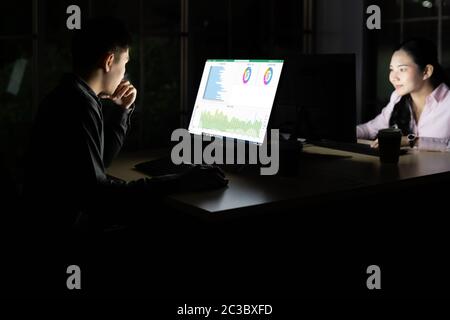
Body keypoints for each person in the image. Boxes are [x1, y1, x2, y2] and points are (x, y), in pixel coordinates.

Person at [23, 17, 228, 235]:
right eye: (125, 63)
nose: (124, 73)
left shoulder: (70, 94)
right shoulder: (80, 105)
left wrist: (122, 111)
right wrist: (182, 181)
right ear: (109, 61)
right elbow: (100, 197)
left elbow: (99, 163)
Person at [357, 38, 450, 151]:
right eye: (391, 69)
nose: (393, 77)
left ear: (426, 71)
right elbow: (370, 129)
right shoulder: (397, 98)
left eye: (402, 69)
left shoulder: (447, 102)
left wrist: (410, 140)